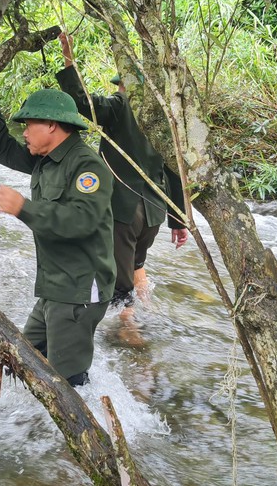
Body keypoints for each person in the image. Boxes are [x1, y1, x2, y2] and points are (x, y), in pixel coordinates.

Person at [0, 83, 116, 387]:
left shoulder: (86, 165)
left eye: (29, 125)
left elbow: (82, 220)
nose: (25, 133)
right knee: (19, 359)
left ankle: (88, 430)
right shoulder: (45, 159)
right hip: (56, 286)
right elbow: (3, 149)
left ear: (52, 125)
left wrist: (23, 208)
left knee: (66, 384)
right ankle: (30, 429)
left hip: (78, 289)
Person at [56, 33, 188, 316]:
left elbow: (82, 105)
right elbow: (174, 171)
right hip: (154, 211)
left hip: (124, 212)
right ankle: (149, 312)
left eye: (120, 85)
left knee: (119, 281)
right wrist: (179, 221)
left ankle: (129, 334)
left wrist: (69, 60)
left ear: (126, 86)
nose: (119, 89)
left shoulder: (120, 107)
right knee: (136, 264)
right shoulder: (165, 119)